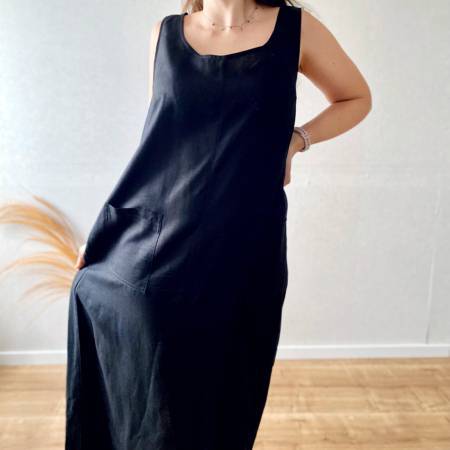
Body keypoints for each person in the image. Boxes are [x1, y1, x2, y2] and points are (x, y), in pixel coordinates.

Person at [66, 1, 371, 449]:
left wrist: (296, 140)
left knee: (229, 397)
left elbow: (356, 97)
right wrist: (107, 234)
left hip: (247, 248)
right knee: (158, 401)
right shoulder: (165, 35)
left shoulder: (297, 30)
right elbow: (157, 149)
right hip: (164, 250)